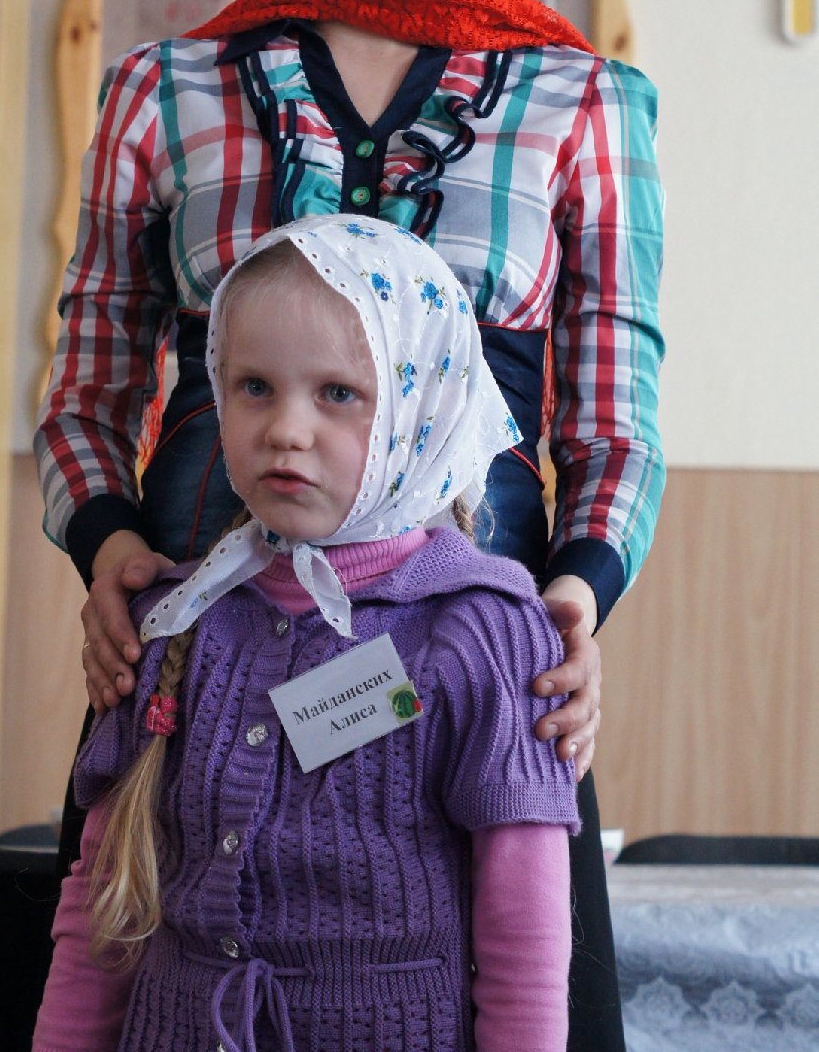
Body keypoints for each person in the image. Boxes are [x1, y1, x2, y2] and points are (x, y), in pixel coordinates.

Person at [36, 0, 665, 1051]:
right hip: (196, 665)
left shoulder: (577, 99)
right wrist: (109, 547)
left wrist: (576, 595)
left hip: (475, 674)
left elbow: (612, 410)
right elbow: (87, 385)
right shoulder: (164, 89)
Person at [33, 216, 581, 1052]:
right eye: (255, 386)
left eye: (337, 394)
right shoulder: (175, 621)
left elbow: (525, 941)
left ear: (422, 410)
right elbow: (101, 904)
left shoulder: (481, 632)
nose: (286, 429)